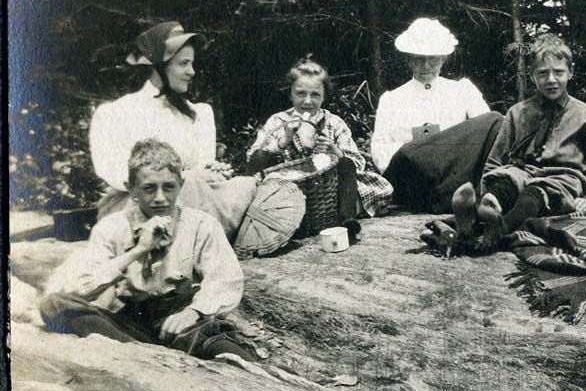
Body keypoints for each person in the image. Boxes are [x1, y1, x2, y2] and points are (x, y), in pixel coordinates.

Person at [40, 139, 254, 360]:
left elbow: (225, 280)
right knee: (54, 305)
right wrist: (139, 250)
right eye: (149, 188)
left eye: (169, 187)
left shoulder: (201, 224)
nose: (160, 198)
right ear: (131, 189)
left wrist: (194, 312)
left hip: (183, 324)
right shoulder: (112, 227)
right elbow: (82, 288)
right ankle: (142, 356)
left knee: (226, 351)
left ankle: (148, 355)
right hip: (131, 324)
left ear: (181, 184)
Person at [89, 21, 257, 239]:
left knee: (245, 185)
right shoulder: (115, 112)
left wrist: (212, 172)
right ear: (159, 68)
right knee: (190, 189)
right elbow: (115, 173)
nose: (191, 72)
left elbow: (202, 165)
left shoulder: (197, 113)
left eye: (192, 64)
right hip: (137, 203)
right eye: (183, 64)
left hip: (192, 198)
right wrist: (185, 177)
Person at [452, 33, 586, 249]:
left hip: (561, 181)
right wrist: (488, 189)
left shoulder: (584, 115)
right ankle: (484, 209)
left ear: (570, 72)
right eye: (543, 73)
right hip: (522, 173)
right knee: (507, 181)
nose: (551, 80)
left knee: (534, 193)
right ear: (532, 76)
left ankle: (495, 229)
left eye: (558, 72)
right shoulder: (517, 113)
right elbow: (496, 160)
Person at [244, 56, 393, 238]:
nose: (307, 101)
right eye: (300, 94)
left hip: (326, 194)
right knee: (261, 156)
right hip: (285, 191)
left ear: (324, 96)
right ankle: (248, 215)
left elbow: (357, 163)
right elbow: (253, 158)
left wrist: (334, 151)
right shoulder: (278, 121)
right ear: (290, 94)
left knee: (346, 163)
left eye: (315, 95)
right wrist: (284, 140)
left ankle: (347, 218)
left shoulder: (333, 123)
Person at [371, 17, 503, 212]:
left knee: (494, 120)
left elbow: (488, 133)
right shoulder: (391, 99)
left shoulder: (462, 90)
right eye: (418, 58)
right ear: (409, 59)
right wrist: (422, 150)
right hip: (413, 176)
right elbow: (380, 149)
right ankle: (453, 198)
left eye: (432, 59)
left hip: (456, 171)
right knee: (408, 154)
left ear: (443, 58)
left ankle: (452, 197)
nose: (425, 66)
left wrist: (448, 149)